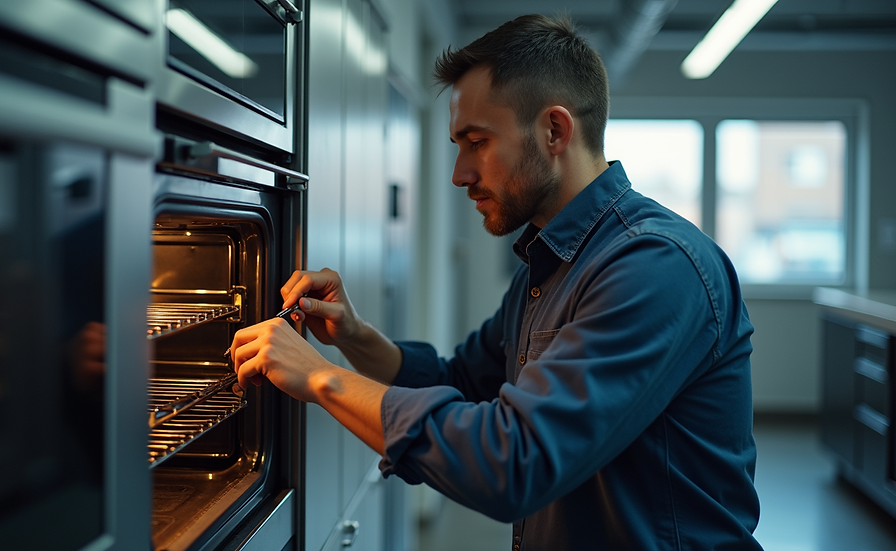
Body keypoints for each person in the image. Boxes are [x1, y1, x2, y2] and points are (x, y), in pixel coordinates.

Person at [229, 13, 761, 551]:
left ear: (554, 130)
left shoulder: (655, 266)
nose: (460, 173)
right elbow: (461, 381)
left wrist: (321, 379)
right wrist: (353, 335)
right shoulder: (547, 262)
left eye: (476, 141)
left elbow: (514, 465)